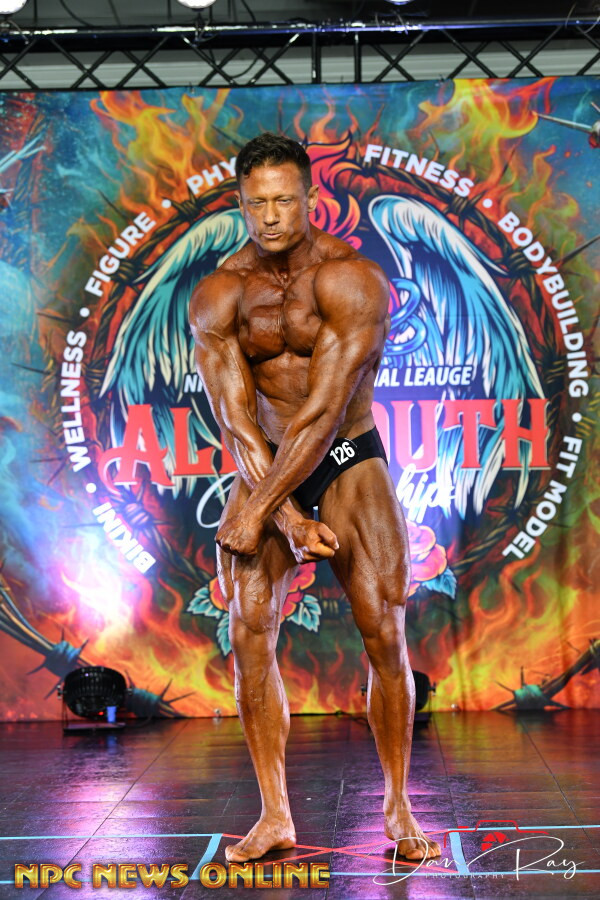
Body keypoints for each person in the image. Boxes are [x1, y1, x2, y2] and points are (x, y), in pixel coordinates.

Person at [188, 132, 441, 864]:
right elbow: (235, 417)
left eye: (284, 200)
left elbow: (325, 411)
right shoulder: (220, 295)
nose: (271, 216)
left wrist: (265, 509)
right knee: (249, 630)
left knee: (383, 631)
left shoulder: (350, 280)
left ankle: (398, 806)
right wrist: (285, 514)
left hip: (347, 457)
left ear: (309, 197)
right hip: (265, 463)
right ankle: (274, 815)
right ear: (240, 205)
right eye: (256, 203)